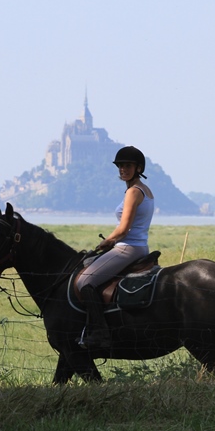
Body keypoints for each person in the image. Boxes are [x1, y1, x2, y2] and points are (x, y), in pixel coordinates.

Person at [76, 145, 155, 348]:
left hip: (127, 248)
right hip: (139, 247)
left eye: (127, 165)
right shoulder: (144, 190)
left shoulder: (133, 192)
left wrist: (107, 241)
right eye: (120, 166)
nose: (122, 169)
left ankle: (100, 333)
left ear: (138, 168)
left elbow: (123, 230)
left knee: (85, 281)